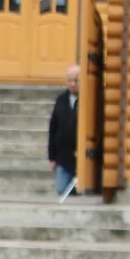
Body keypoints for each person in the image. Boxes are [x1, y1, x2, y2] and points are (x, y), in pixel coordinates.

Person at [49, 64, 80, 197]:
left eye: (76, 80)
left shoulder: (88, 100)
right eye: (70, 80)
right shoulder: (61, 100)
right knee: (62, 189)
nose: (73, 84)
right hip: (63, 156)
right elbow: (53, 127)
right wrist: (52, 156)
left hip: (80, 157)